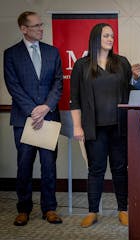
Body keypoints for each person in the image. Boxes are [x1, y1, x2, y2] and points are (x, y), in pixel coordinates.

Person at [3, 11, 63, 226]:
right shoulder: (10, 54)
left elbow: (58, 84)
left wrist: (45, 107)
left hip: (48, 117)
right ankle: (23, 209)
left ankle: (49, 208)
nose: (41, 29)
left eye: (41, 25)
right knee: (24, 166)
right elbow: (13, 86)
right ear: (23, 29)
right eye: (36, 26)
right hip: (24, 120)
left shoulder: (52, 52)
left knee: (49, 166)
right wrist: (33, 111)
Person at [70, 23, 131, 228]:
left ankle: (123, 209)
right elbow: (75, 99)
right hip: (94, 128)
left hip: (119, 126)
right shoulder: (81, 65)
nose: (110, 39)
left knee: (120, 169)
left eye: (112, 36)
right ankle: (92, 211)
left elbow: (131, 91)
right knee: (96, 169)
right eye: (106, 35)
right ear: (96, 37)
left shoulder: (122, 63)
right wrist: (77, 127)